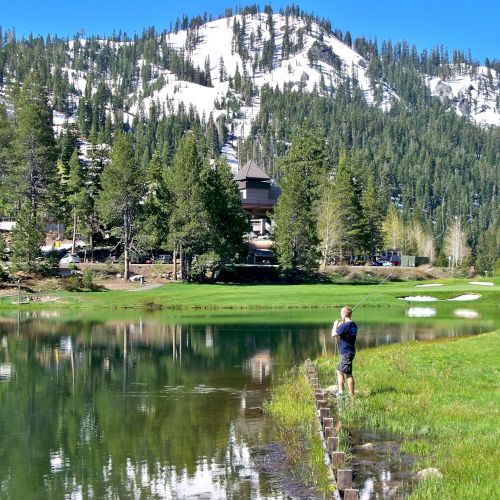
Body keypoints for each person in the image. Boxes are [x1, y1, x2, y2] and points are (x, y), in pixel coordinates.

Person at [331, 305, 357, 397]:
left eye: (341, 313)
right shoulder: (353, 324)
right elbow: (344, 331)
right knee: (339, 371)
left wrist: (335, 325)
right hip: (350, 351)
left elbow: (333, 334)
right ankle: (341, 391)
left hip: (346, 353)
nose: (340, 314)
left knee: (348, 374)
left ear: (345, 313)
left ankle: (351, 395)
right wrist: (341, 325)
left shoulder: (345, 325)